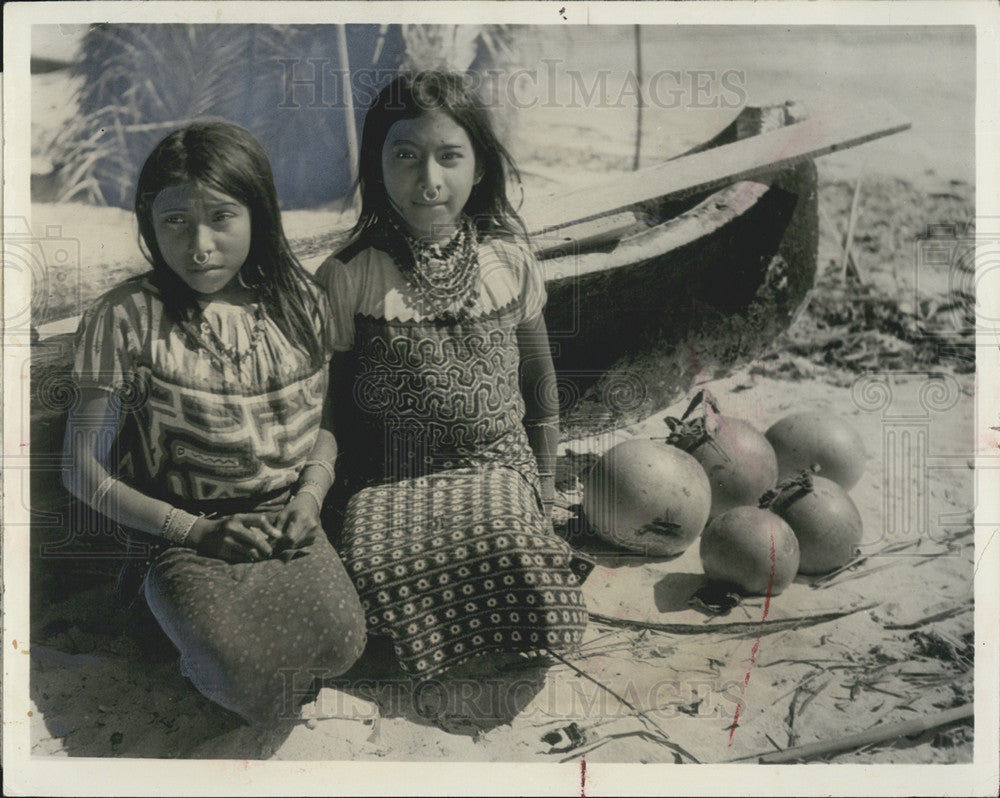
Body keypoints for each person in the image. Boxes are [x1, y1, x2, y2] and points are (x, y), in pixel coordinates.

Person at [61, 122, 366, 725]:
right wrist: (195, 534)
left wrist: (310, 496)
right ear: (150, 222)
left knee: (343, 646)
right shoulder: (123, 319)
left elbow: (324, 422)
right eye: (175, 221)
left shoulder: (301, 301)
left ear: (260, 213)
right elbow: (78, 469)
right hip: (176, 528)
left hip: (286, 518)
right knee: (243, 679)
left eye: (222, 217)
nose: (199, 245)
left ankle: (192, 630)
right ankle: (161, 615)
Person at [317, 71, 594, 680]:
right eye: (406, 156)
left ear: (481, 167)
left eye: (449, 157)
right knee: (373, 567)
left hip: (496, 465)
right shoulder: (349, 275)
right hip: (388, 475)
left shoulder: (509, 258)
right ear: (376, 165)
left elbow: (540, 388)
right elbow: (330, 409)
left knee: (513, 547)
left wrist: (545, 486)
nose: (429, 180)